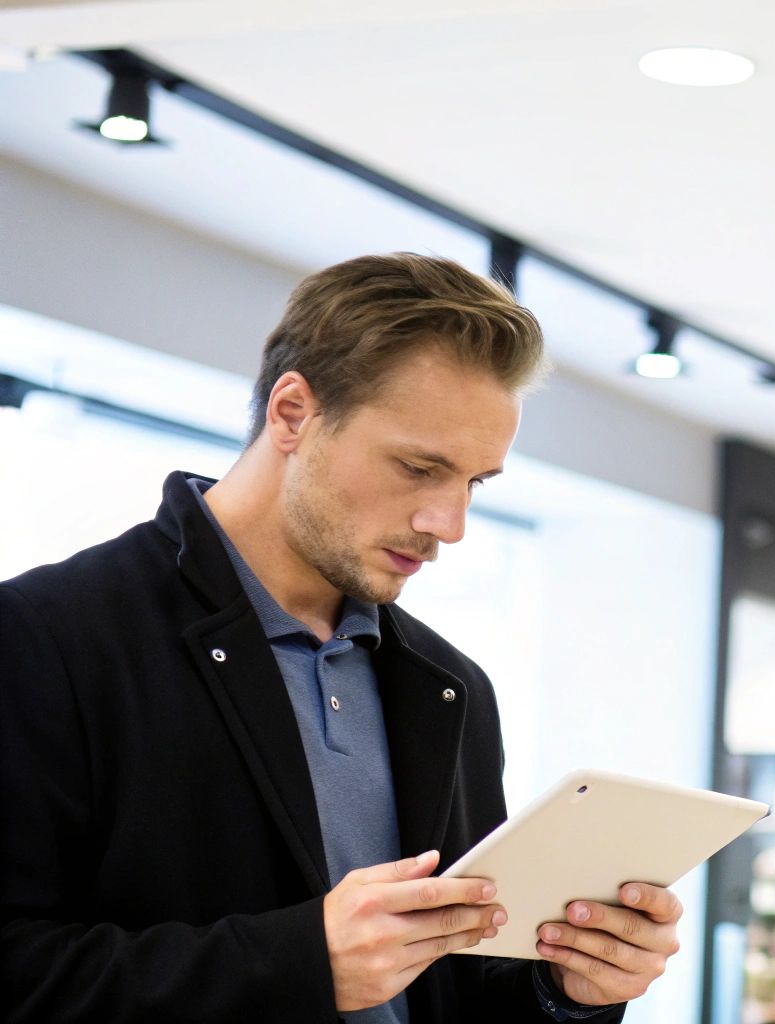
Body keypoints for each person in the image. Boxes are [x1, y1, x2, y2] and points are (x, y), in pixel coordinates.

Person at [0, 253, 683, 1022]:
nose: (448, 525)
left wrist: (568, 991)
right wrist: (295, 965)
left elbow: (461, 984)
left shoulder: (450, 684)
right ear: (293, 413)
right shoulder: (45, 638)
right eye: (419, 467)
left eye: (473, 483)